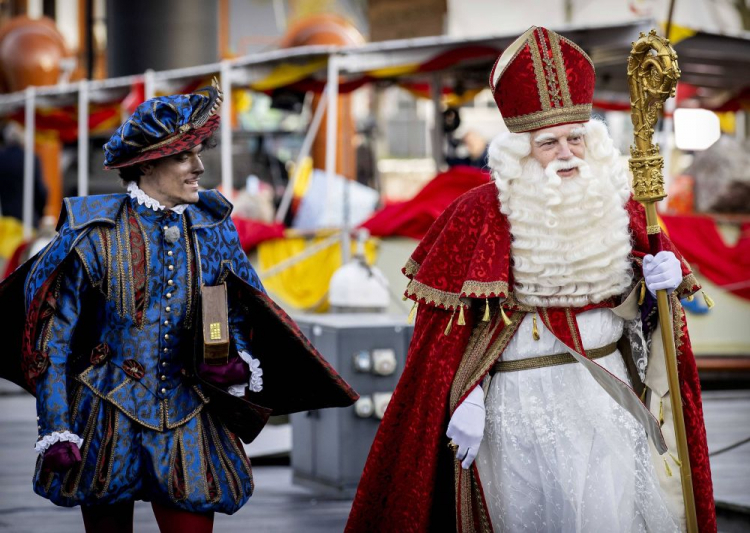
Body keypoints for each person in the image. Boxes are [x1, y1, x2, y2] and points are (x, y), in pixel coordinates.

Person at [346, 26, 715, 533]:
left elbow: (651, 326)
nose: (566, 153)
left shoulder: (620, 205)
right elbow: (447, 337)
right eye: (549, 142)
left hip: (606, 401)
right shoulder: (477, 214)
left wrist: (657, 290)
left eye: (575, 138)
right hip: (517, 407)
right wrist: (468, 393)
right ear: (521, 149)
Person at [0, 82, 357, 532]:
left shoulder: (213, 228)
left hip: (190, 413)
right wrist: (55, 425)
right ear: (148, 164)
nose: (199, 166)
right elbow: (52, 342)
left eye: (198, 152)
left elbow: (237, 310)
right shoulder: (93, 233)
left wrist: (233, 358)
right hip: (107, 415)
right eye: (184, 155)